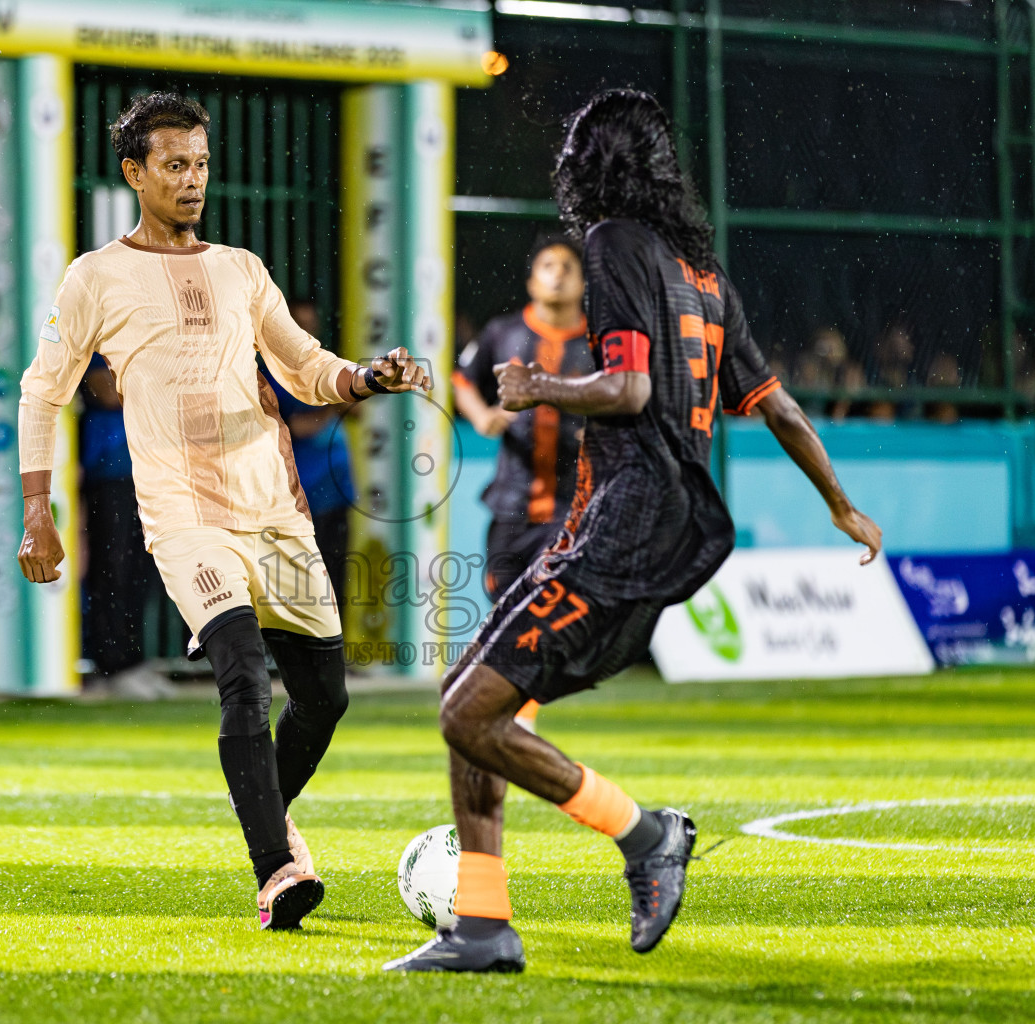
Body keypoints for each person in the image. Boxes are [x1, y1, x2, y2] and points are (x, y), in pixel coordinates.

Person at [386, 90, 882, 974]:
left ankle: (644, 834)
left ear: (589, 166)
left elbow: (628, 392)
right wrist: (839, 504)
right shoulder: (705, 277)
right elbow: (782, 408)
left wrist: (540, 388)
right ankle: (483, 926)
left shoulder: (612, 245)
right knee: (476, 697)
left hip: (624, 519)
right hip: (671, 526)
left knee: (465, 710)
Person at [14, 91, 430, 932]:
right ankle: (276, 869)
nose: (192, 179)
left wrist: (366, 378)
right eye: (174, 164)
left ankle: (269, 816)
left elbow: (307, 368)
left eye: (200, 163)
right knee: (241, 677)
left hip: (273, 508)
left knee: (324, 701)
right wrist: (36, 509)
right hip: (184, 513)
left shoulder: (241, 268)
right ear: (134, 172)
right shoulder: (95, 276)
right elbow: (40, 389)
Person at [452, 237, 592, 603]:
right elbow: (462, 380)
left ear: (583, 283)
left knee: (553, 601)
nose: (558, 275)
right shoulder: (503, 333)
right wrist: (482, 417)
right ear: (531, 282)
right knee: (503, 598)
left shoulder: (599, 343)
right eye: (548, 266)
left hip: (573, 501)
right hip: (511, 501)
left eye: (568, 267)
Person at [258, 299, 357, 605]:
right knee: (302, 581)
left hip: (337, 488)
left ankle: (333, 650)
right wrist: (334, 406)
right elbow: (294, 428)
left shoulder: (323, 365)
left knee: (336, 577)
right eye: (298, 325)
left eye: (309, 326)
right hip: (302, 494)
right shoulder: (271, 373)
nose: (305, 332)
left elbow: (357, 413)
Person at [79, 353, 160, 680]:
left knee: (142, 569)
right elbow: (109, 394)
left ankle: (132, 659)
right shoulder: (97, 345)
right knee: (112, 568)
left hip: (146, 475)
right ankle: (111, 662)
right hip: (108, 478)